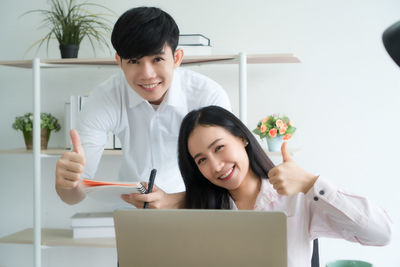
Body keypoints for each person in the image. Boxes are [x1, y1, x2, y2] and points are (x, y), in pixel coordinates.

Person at [55, 7, 230, 207]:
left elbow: (229, 179)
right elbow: (73, 197)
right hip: (135, 208)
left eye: (157, 59)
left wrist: (171, 202)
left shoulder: (207, 95)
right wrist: (67, 184)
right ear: (119, 62)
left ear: (177, 58)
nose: (147, 74)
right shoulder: (105, 98)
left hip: (198, 205)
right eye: (134, 61)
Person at [177, 105, 392, 267]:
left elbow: (381, 233)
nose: (215, 166)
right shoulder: (202, 211)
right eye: (201, 160)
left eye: (219, 147)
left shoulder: (296, 198)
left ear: (242, 138)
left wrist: (311, 184)